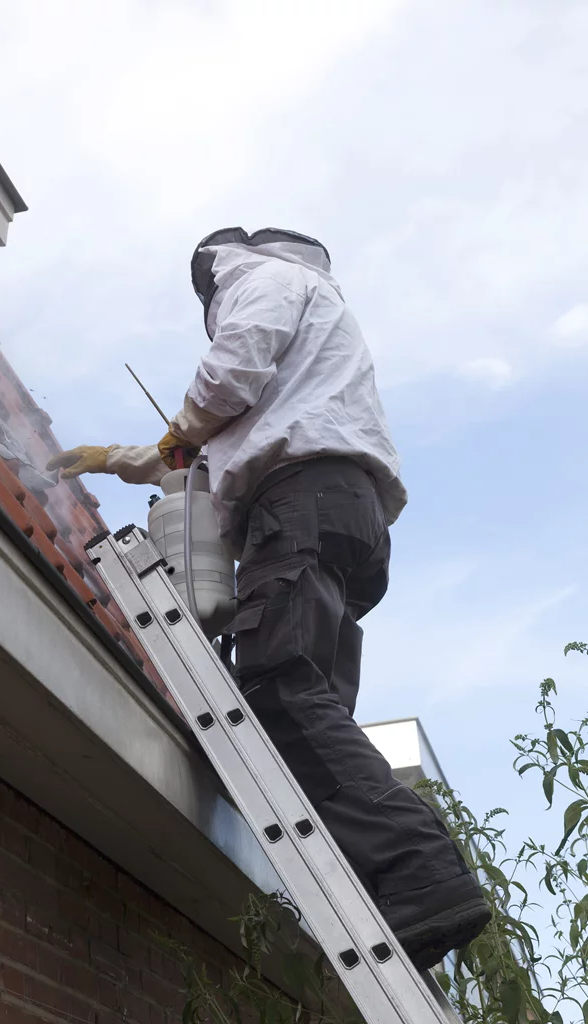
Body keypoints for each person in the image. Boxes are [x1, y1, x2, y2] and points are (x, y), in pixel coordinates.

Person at [48, 227, 491, 970]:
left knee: (277, 686)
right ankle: (392, 892)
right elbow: (212, 460)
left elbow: (228, 377)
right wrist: (123, 459)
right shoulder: (313, 335)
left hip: (302, 506)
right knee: (311, 710)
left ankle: (419, 868)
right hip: (340, 515)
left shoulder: (257, 280)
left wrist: (178, 430)